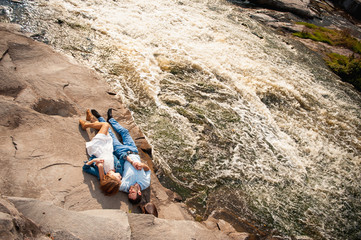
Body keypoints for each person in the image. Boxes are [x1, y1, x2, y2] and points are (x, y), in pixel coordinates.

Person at [79, 110, 122, 196]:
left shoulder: (100, 172)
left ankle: (85, 125)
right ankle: (91, 118)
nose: (121, 178)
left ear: (112, 178)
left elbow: (85, 168)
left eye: (119, 179)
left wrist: (94, 160)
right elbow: (115, 157)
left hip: (98, 147)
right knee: (104, 129)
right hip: (108, 147)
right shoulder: (118, 169)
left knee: (105, 125)